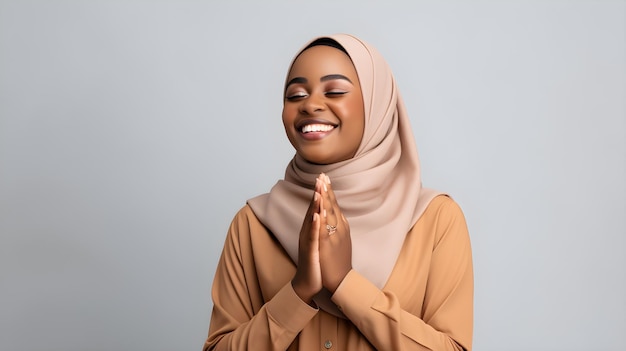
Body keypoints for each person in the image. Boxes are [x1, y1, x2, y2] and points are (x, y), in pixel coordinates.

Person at [203, 34, 473, 351]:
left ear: (377, 104)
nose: (311, 105)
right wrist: (299, 290)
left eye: (335, 91)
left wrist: (346, 283)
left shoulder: (436, 220)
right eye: (295, 95)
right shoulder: (253, 224)